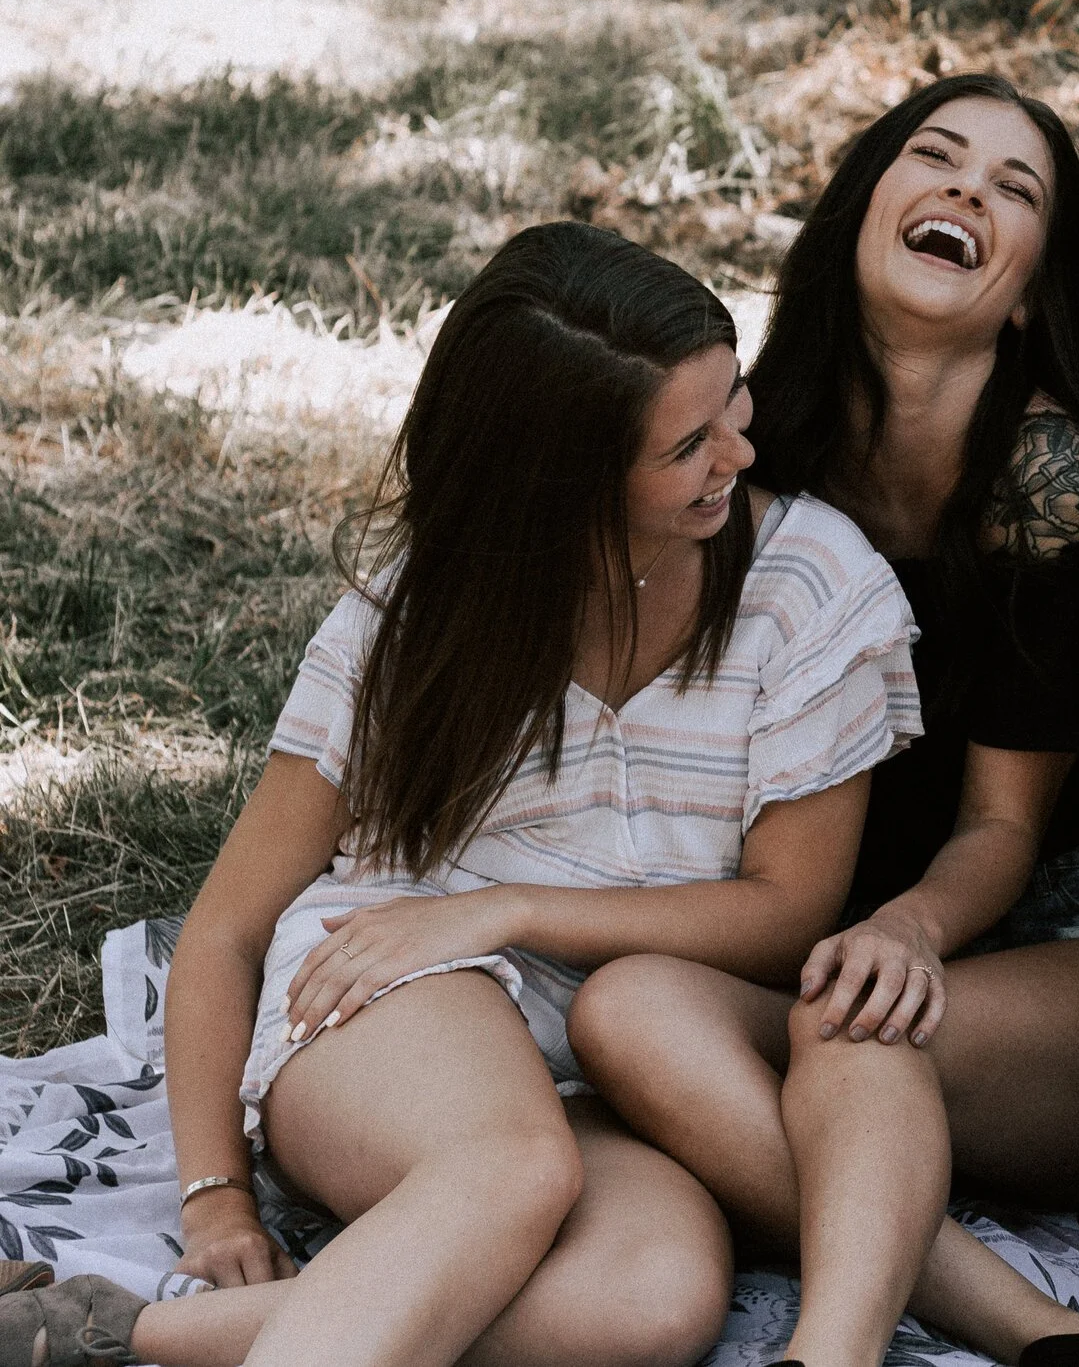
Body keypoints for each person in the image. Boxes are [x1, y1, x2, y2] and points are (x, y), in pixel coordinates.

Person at [0, 223, 920, 1367]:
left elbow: (790, 909)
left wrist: (511, 908)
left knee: (650, 1300)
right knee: (508, 1165)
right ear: (566, 483)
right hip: (403, 989)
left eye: (732, 398)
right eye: (691, 441)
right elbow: (228, 926)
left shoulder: (810, 585)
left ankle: (116, 1332)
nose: (740, 446)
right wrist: (214, 1195)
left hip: (624, 1060)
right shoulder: (416, 617)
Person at [564, 74, 1079, 1367]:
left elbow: (1000, 825)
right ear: (862, 211)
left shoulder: (1047, 475)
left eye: (1014, 188)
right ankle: (1049, 1339)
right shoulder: (752, 446)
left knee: (851, 1029)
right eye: (939, 156)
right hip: (837, 939)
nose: (968, 188)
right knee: (629, 1009)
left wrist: (906, 927)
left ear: (1028, 285)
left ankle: (832, 1350)